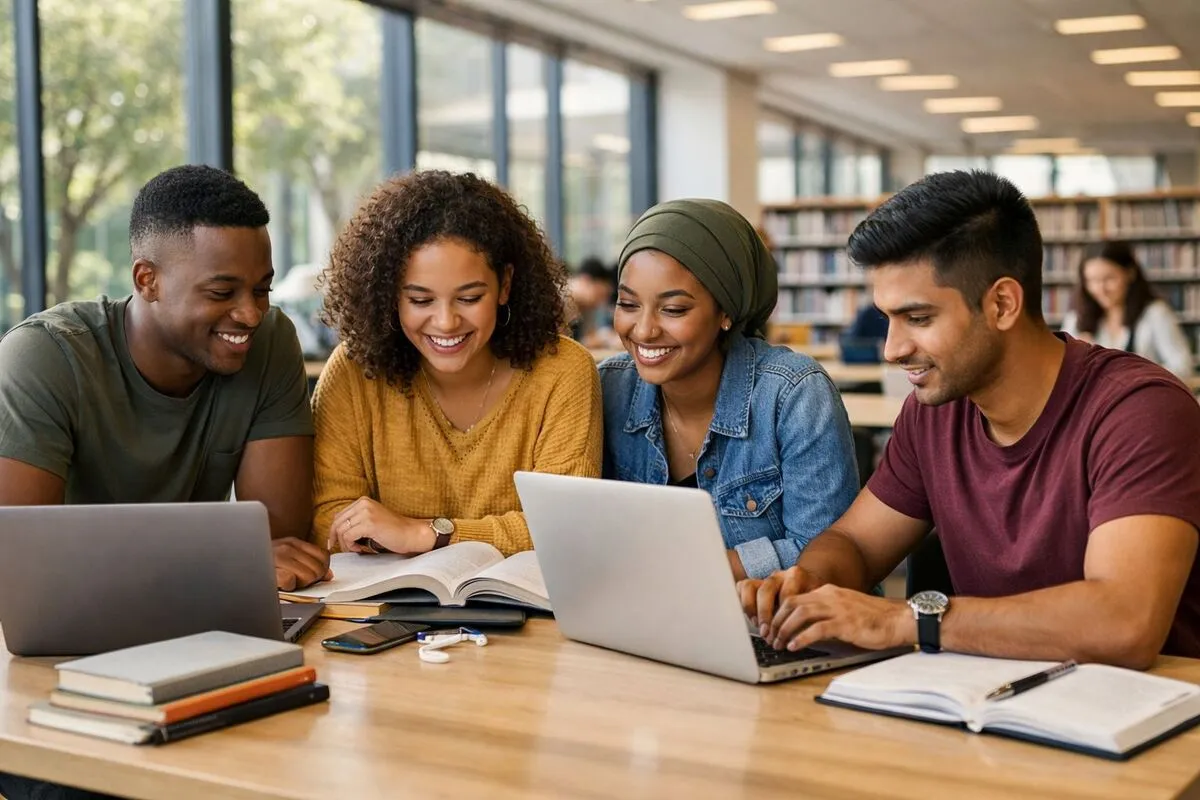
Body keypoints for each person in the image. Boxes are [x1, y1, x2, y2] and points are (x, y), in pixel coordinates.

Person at [740, 170, 1200, 668]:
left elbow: (1123, 624)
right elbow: (853, 541)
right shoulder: (933, 412)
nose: (893, 350)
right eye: (887, 318)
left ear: (1002, 304)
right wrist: (809, 582)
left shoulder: (1141, 411)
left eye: (918, 319)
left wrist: (902, 619)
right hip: (988, 703)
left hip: (1146, 719)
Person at [0, 165, 329, 800]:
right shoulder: (43, 359)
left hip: (200, 651)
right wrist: (220, 567)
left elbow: (283, 543)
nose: (251, 313)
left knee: (299, 761)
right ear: (146, 280)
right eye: (223, 291)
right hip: (60, 673)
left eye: (261, 289)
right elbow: (21, 573)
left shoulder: (268, 344)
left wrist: (232, 566)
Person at [314, 170, 602, 557]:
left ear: (505, 285)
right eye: (420, 301)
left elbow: (566, 524)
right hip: (382, 609)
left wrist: (426, 534)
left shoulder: (563, 371)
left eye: (468, 298)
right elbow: (326, 520)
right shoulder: (354, 370)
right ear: (390, 295)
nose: (446, 322)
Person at [599, 199, 859, 581]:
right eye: (628, 304)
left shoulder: (793, 395)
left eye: (673, 310)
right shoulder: (609, 387)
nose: (643, 330)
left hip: (778, 627)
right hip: (650, 619)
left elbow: (826, 555)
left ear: (726, 312)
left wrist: (686, 569)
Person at [1060, 241, 1194, 378]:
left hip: (1143, 396)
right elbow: (1063, 374)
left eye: (1109, 279)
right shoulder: (1075, 319)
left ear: (1130, 273)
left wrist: (1135, 376)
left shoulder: (1155, 313)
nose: (1100, 289)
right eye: (1092, 280)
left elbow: (1183, 367)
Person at [568, 257, 618, 348]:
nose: (602, 302)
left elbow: (587, 338)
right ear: (586, 280)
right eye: (601, 295)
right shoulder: (558, 300)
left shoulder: (586, 307)